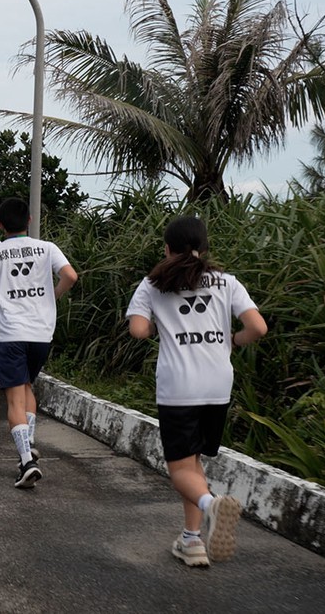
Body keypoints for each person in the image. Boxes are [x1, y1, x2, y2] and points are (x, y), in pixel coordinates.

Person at [125, 216, 267, 567]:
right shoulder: (227, 282)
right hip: (218, 385)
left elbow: (138, 330)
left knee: (180, 469)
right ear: (204, 248)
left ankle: (211, 505)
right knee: (194, 462)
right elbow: (258, 327)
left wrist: (161, 326)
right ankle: (192, 541)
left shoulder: (153, 283)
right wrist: (233, 340)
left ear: (167, 249)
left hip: (179, 386)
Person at [0, 197, 77, 488]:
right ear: (29, 221)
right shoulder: (47, 248)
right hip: (42, 333)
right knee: (27, 387)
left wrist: (2, 291)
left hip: (12, 334)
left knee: (14, 399)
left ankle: (26, 461)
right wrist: (52, 296)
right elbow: (70, 275)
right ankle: (29, 443)